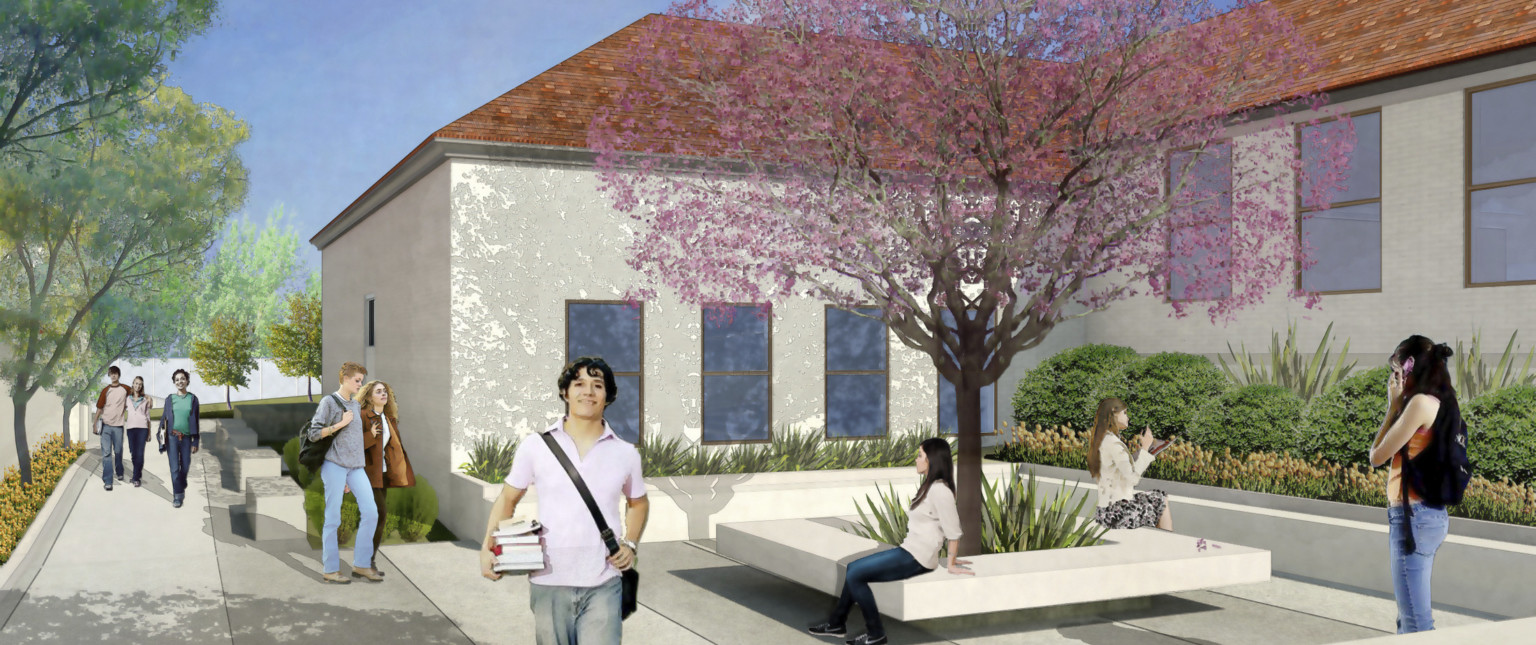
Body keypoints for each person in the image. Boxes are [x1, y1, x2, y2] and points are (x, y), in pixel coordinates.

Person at [480, 356, 649, 645]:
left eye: (598, 385)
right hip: (548, 580)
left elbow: (639, 503)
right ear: (565, 392)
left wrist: (630, 543)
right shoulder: (536, 446)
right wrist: (487, 548)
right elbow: (508, 499)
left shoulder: (625, 453)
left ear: (607, 396)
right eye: (579, 383)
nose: (588, 391)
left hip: (604, 580)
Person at [808, 438, 972, 645]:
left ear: (932, 460)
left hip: (917, 558)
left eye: (920, 455)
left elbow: (954, 531)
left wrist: (951, 563)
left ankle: (875, 634)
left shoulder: (940, 491)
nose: (916, 459)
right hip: (909, 551)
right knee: (853, 569)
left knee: (855, 573)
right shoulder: (929, 487)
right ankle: (837, 624)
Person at [1368, 336, 1458, 634]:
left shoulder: (1418, 404)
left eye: (1398, 371)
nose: (1396, 379)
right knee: (1407, 618)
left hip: (1413, 518)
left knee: (1416, 623)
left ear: (1410, 369)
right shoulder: (1442, 401)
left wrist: (1392, 407)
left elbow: (1377, 456)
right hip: (1429, 516)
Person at [306, 361, 382, 584]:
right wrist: (339, 424)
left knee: (371, 512)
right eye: (357, 380)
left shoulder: (356, 405)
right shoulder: (329, 402)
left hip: (355, 468)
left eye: (361, 380)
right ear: (345, 379)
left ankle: (361, 564)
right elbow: (313, 433)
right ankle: (330, 569)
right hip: (335, 466)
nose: (360, 384)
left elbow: (355, 440)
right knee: (333, 518)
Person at [1086, 397, 1173, 531]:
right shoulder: (1114, 443)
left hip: (1106, 511)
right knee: (1161, 499)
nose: (1128, 418)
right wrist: (1145, 449)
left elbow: (1120, 469)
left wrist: (1142, 452)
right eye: (1125, 413)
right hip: (1118, 513)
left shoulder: (1104, 439)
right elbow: (1132, 479)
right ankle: (1168, 544)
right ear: (1114, 413)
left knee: (1157, 498)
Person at [358, 379, 416, 575]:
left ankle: (366, 562)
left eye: (385, 392)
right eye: (378, 392)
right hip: (366, 474)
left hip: (381, 474)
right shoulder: (363, 416)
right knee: (378, 514)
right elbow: (350, 445)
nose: (384, 394)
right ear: (368, 397)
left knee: (377, 517)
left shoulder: (388, 418)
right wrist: (370, 436)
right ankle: (365, 563)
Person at [159, 369, 201, 508]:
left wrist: (195, 440)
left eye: (182, 379)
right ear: (174, 382)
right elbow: (164, 418)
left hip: (187, 438)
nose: (180, 382)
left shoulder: (193, 399)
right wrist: (161, 439)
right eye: (177, 380)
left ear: (187, 381)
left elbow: (196, 420)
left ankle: (181, 482)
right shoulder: (169, 399)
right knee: (175, 468)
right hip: (172, 437)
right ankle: (177, 496)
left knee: (185, 466)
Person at [90, 365, 133, 491]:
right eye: (111, 374)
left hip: (119, 426)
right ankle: (108, 480)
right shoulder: (105, 390)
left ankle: (119, 471)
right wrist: (95, 423)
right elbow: (99, 407)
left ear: (119, 375)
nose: (113, 375)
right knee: (107, 453)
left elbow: (137, 394)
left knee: (118, 451)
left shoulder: (126, 389)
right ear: (109, 375)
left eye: (115, 373)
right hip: (106, 426)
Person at [124, 376, 154, 488]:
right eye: (136, 383)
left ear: (142, 386)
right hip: (131, 428)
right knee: (133, 453)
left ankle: (136, 478)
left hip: (142, 428)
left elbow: (148, 416)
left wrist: (149, 433)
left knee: (140, 454)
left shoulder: (145, 400)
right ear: (133, 384)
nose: (138, 386)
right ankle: (137, 474)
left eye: (140, 384)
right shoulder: (127, 399)